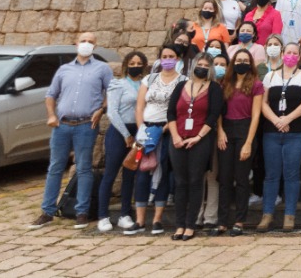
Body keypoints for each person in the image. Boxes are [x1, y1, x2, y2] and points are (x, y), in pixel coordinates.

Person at [28, 32, 112, 230]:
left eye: (91, 42)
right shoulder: (64, 69)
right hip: (62, 125)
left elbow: (111, 92)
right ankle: (47, 211)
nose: (86, 44)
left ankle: (81, 212)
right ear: (76, 44)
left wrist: (102, 110)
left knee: (84, 168)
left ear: (95, 46)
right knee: (55, 168)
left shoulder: (102, 69)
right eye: (83, 41)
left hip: (85, 125)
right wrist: (51, 115)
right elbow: (51, 94)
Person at [258, 42, 301, 231]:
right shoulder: (270, 76)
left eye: (295, 53)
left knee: (292, 174)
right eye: (288, 52)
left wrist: (288, 119)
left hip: (296, 132)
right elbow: (263, 103)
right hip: (272, 132)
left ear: (299, 57)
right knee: (271, 175)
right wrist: (276, 120)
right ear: (282, 54)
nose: (291, 55)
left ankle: (289, 215)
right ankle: (267, 214)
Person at [125, 44, 183, 235]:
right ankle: (140, 220)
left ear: (177, 59)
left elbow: (180, 109)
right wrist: (142, 128)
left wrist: (166, 127)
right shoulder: (149, 79)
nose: (167, 59)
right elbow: (140, 106)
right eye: (164, 56)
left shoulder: (183, 81)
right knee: (142, 172)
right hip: (146, 130)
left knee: (163, 171)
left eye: (171, 56)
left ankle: (157, 219)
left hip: (166, 129)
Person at [166, 52, 224, 240]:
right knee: (180, 182)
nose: (203, 68)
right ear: (193, 66)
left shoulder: (214, 88)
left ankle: (191, 225)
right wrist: (175, 136)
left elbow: (213, 115)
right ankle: (179, 224)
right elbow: (171, 113)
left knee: (195, 181)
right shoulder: (181, 85)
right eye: (200, 64)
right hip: (178, 139)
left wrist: (198, 137)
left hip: (200, 140)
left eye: (207, 66)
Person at [215, 48, 263, 236]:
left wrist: (249, 142)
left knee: (242, 179)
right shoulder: (225, 83)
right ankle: (222, 221)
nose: (241, 63)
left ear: (250, 63)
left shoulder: (256, 85)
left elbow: (256, 114)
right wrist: (220, 132)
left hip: (245, 130)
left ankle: (239, 221)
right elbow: (218, 111)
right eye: (238, 59)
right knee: (225, 178)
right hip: (226, 129)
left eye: (245, 60)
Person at [96, 50, 145, 232]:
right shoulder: (118, 84)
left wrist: (139, 134)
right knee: (110, 173)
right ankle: (103, 215)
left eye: (138, 63)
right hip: (119, 132)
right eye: (131, 64)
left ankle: (125, 213)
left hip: (138, 131)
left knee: (130, 174)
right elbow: (112, 112)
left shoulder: (144, 84)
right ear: (126, 66)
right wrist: (126, 135)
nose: (135, 66)